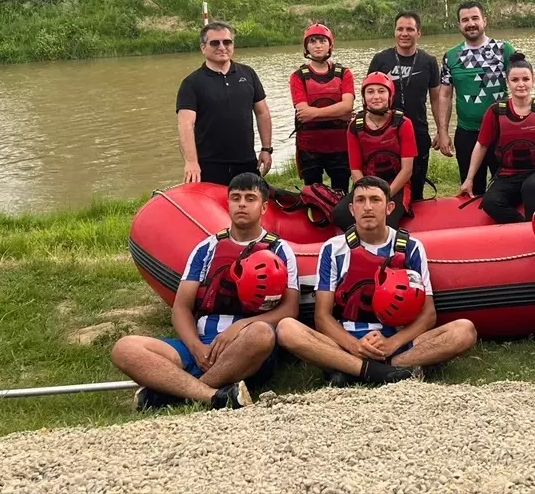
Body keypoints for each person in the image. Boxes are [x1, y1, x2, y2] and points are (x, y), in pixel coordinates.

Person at [111, 173, 299, 410]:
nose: (242, 203)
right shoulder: (206, 248)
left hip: (246, 347)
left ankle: (177, 394)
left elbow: (290, 309)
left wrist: (238, 328)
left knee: (261, 333)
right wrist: (195, 347)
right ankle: (214, 395)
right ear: (227, 204)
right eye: (236, 198)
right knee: (125, 348)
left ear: (263, 208)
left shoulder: (280, 250)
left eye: (250, 198)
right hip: (202, 346)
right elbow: (181, 307)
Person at [276, 177, 477, 385]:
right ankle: (383, 370)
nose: (368, 207)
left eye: (375, 200)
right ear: (352, 209)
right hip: (349, 340)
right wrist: (355, 346)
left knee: (464, 330)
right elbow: (322, 317)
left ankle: (360, 369)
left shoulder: (411, 247)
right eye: (361, 201)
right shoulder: (333, 248)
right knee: (287, 329)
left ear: (389, 207)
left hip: (397, 338)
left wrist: (392, 343)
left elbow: (428, 314)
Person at [459, 53, 535, 223]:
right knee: (490, 202)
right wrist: (469, 179)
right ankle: (523, 227)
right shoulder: (495, 111)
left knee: (531, 188)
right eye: (515, 80)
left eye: (525, 79)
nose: (521, 84)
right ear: (508, 82)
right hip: (509, 173)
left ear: (533, 80)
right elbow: (481, 146)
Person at [176, 21, 273, 186]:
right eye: (215, 43)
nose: (222, 47)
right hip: (208, 165)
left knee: (248, 208)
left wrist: (266, 149)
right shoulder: (191, 83)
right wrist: (191, 162)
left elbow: (262, 112)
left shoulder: (248, 74)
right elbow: (185, 125)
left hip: (246, 161)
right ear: (203, 48)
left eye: (227, 42)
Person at [435, 0, 516, 192]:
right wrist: (443, 132)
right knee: (471, 187)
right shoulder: (451, 56)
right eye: (465, 20)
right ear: (459, 25)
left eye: (475, 18)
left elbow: (521, 86)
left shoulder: (504, 50)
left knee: (505, 187)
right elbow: (445, 95)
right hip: (467, 132)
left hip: (502, 131)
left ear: (484, 21)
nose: (470, 23)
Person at [368, 12, 444, 201]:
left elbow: (436, 99)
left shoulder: (429, 62)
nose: (404, 33)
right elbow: (369, 96)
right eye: (400, 29)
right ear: (394, 32)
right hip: (385, 131)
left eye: (410, 29)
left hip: (418, 130)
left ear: (419, 33)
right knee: (384, 181)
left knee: (416, 184)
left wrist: (441, 131)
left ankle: (415, 217)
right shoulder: (380, 60)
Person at [329, 72, 418, 230]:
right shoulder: (355, 126)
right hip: (366, 186)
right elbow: (355, 170)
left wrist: (383, 196)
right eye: (370, 92)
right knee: (340, 215)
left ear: (390, 95)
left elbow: (407, 170)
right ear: (364, 97)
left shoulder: (404, 123)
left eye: (381, 91)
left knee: (384, 223)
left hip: (395, 186)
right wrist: (367, 197)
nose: (376, 96)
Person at [290, 23, 354, 192]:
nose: (317, 45)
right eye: (312, 41)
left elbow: (347, 107)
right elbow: (303, 114)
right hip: (309, 147)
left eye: (322, 41)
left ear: (330, 45)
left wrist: (315, 113)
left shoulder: (344, 73)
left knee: (341, 192)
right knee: (313, 195)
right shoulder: (298, 77)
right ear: (306, 47)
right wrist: (338, 113)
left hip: (340, 145)